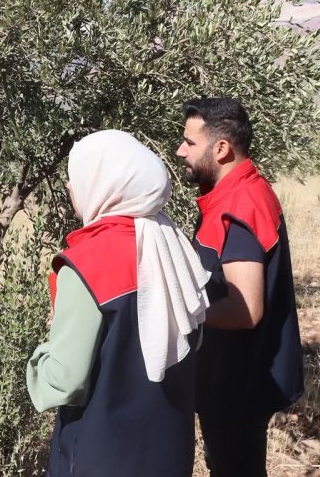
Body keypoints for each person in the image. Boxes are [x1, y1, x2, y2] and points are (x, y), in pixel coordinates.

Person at [27, 130, 212, 477]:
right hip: (168, 449)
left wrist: (37, 361)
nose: (69, 188)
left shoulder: (85, 263)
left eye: (75, 178)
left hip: (101, 454)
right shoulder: (174, 247)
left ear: (103, 182)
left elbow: (63, 381)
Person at [176, 97, 304, 476]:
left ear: (220, 149)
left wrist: (180, 312)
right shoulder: (241, 192)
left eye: (190, 143)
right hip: (237, 378)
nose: (180, 150)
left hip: (237, 383)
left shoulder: (240, 206)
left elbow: (246, 309)